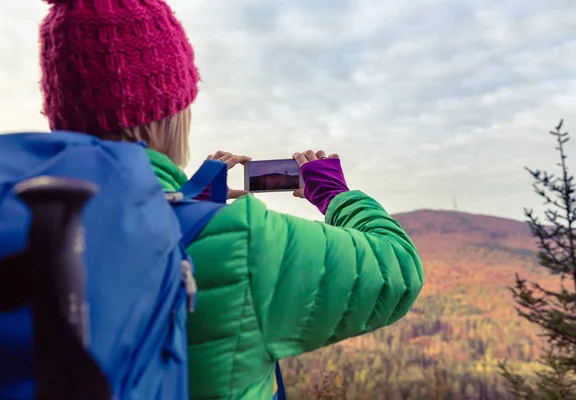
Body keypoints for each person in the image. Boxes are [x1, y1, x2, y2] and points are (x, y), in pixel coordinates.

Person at [38, 0, 425, 399]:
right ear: (174, 114)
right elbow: (399, 269)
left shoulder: (22, 218)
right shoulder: (239, 240)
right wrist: (335, 197)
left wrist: (184, 200)